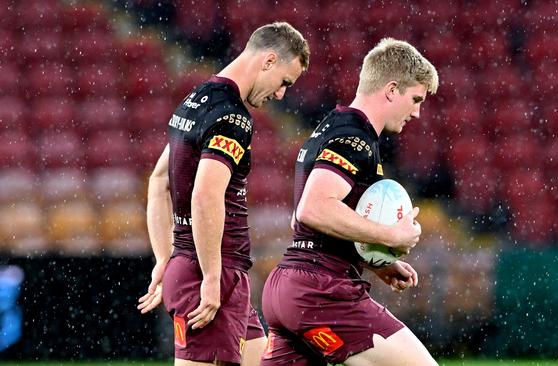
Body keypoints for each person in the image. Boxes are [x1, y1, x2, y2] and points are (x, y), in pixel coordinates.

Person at [137, 22, 310, 366]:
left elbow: (159, 181)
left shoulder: (196, 99)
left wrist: (164, 258)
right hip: (211, 274)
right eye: (284, 82)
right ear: (269, 61)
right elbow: (204, 195)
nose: (280, 95)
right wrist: (212, 277)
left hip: (202, 269)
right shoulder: (233, 117)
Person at [260, 38, 439, 366]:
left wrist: (375, 261)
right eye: (415, 99)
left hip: (288, 287)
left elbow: (301, 223)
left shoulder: (331, 125)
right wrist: (391, 237)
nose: (416, 112)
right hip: (322, 292)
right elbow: (313, 209)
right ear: (391, 89)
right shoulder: (355, 138)